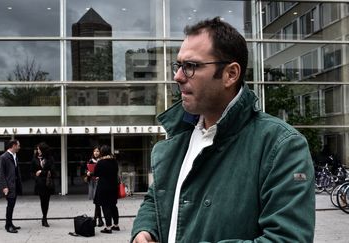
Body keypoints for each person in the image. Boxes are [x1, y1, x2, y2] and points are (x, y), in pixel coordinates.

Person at [131, 17, 315, 243]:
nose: (177, 76)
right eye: (178, 65)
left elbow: (288, 239)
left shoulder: (280, 145)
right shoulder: (179, 137)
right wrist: (144, 230)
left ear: (230, 74)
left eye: (191, 66)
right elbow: (156, 199)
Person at [93, 145, 120, 234]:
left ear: (102, 152)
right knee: (113, 206)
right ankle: (116, 225)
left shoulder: (101, 162)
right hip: (113, 187)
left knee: (105, 206)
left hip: (103, 187)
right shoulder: (114, 161)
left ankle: (108, 227)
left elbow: (96, 173)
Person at [0, 139, 23, 233]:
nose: (19, 147)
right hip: (8, 186)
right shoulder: (3, 157)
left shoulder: (15, 156)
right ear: (14, 145)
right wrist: (4, 187)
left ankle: (10, 223)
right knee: (10, 206)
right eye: (18, 145)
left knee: (12, 205)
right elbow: (1, 173)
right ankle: (8, 226)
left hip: (14, 185)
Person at [31, 142, 55, 227]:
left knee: (47, 201)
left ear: (43, 150)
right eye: (37, 149)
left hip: (47, 183)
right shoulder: (35, 159)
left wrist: (41, 171)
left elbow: (53, 171)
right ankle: (44, 217)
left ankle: (44, 218)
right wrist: (36, 177)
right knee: (42, 201)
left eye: (39, 149)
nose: (38, 150)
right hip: (39, 184)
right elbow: (32, 172)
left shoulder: (50, 158)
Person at [86, 146, 104, 227]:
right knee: (97, 202)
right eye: (94, 151)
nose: (96, 153)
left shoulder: (102, 161)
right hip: (92, 182)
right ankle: (99, 219)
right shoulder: (90, 160)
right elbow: (87, 169)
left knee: (97, 201)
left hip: (100, 182)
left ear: (100, 152)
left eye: (97, 151)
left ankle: (97, 219)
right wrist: (88, 173)